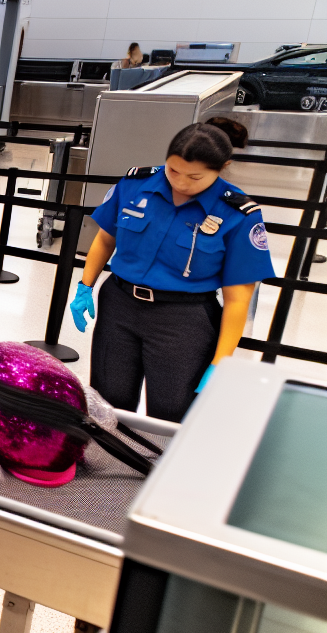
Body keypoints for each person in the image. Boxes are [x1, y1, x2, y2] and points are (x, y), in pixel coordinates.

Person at [69, 123, 271, 422]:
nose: (181, 183)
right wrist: (85, 286)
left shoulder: (237, 213)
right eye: (173, 170)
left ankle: (161, 467)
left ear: (222, 168)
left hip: (183, 320)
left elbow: (238, 298)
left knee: (171, 410)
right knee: (107, 400)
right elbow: (105, 238)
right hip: (119, 305)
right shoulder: (136, 184)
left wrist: (221, 361)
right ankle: (104, 461)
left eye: (195, 177)